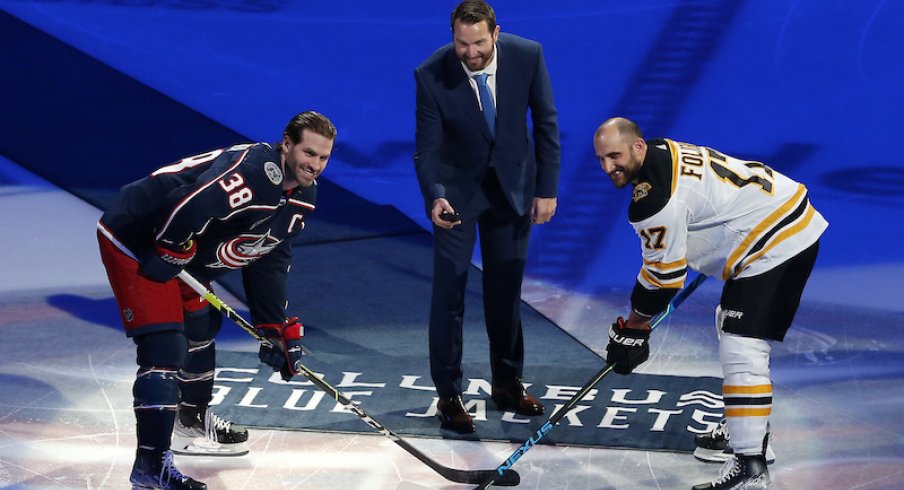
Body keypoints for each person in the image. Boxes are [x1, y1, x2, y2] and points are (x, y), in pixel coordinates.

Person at [96, 111, 337, 489]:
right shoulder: (256, 172)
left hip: (182, 247)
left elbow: (270, 256)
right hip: (138, 237)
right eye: (309, 153)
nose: (315, 165)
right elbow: (189, 203)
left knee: (201, 324)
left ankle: (190, 421)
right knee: (164, 349)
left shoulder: (303, 195)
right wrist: (173, 247)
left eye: (323, 158)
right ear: (286, 144)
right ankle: (150, 467)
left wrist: (273, 327)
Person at [593, 117, 827, 489]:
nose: (608, 168)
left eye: (614, 156)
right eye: (602, 159)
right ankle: (745, 428)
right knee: (729, 323)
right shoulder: (659, 150)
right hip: (775, 215)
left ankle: (751, 465)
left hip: (776, 242)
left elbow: (664, 278)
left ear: (637, 147)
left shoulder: (654, 199)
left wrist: (635, 327)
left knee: (743, 344)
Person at [413, 0, 561, 434]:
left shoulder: (527, 54)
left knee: (505, 290)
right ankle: (449, 393)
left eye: (478, 43)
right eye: (462, 43)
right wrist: (435, 196)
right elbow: (427, 147)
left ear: (496, 33)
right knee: (450, 293)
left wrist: (546, 189)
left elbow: (546, 123)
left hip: (513, 189)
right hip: (457, 194)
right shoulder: (431, 73)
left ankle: (507, 381)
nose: (471, 52)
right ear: (453, 36)